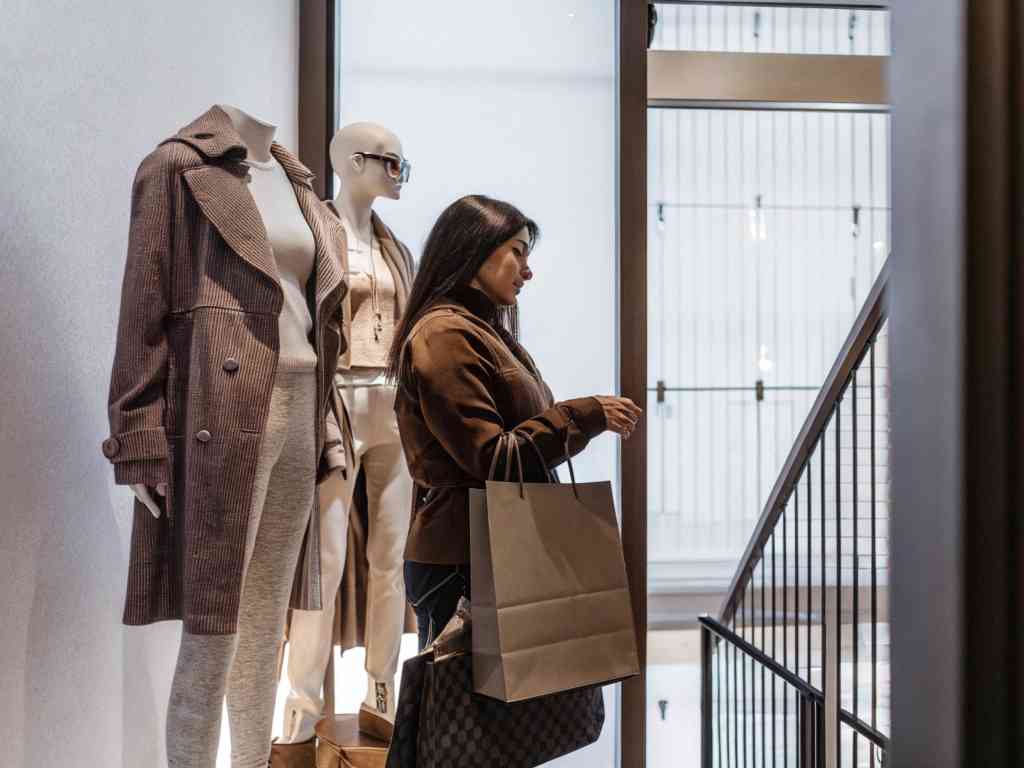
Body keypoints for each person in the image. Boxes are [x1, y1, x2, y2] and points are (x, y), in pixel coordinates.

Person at [386, 194, 642, 649]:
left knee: (521, 712)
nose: (528, 271)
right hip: (467, 559)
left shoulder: (480, 331)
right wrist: (585, 414)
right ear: (473, 247)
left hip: (491, 548)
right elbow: (494, 457)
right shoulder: (445, 334)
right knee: (470, 716)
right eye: (517, 253)